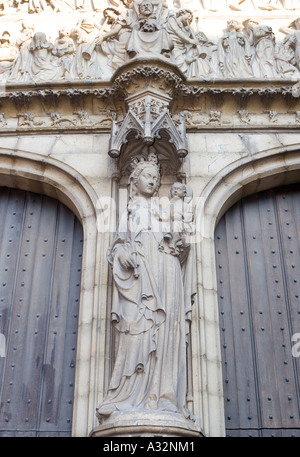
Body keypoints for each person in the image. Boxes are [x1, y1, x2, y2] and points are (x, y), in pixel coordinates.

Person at [96, 153, 194, 422]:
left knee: (167, 333)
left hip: (167, 272)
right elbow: (117, 247)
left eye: (156, 177)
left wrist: (179, 214)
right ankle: (127, 396)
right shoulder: (129, 213)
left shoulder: (164, 210)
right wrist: (121, 255)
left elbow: (181, 245)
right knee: (135, 330)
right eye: (148, 176)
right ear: (135, 181)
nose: (153, 181)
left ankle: (165, 397)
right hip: (139, 280)